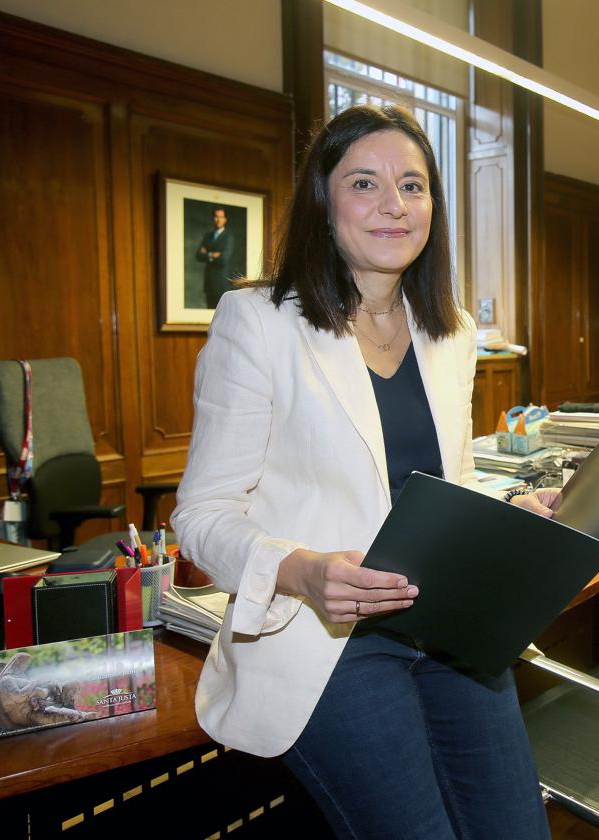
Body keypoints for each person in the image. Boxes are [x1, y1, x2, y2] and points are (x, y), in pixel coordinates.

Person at [171, 104, 555, 839]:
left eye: (412, 186)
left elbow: (443, 484)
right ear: (324, 200)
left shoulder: (452, 334)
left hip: (450, 627)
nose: (393, 205)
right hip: (328, 644)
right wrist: (301, 570)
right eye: (365, 183)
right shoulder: (258, 321)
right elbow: (202, 515)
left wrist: (511, 512)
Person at [195, 207, 236, 308]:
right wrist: (212, 255)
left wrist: (207, 254)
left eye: (221, 217)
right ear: (213, 219)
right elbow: (198, 256)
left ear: (225, 219)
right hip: (209, 283)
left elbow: (223, 260)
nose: (218, 219)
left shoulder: (229, 238)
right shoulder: (207, 236)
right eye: (216, 217)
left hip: (222, 284)